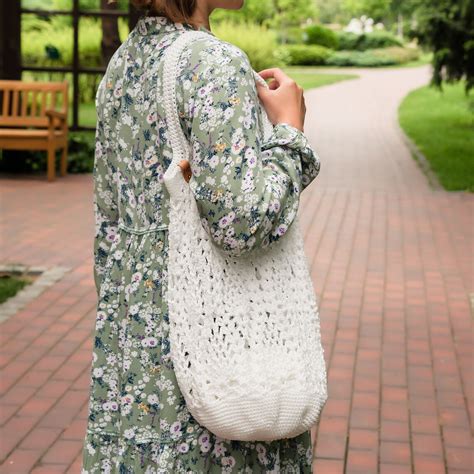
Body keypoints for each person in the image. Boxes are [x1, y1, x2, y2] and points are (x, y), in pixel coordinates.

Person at [81, 0, 322, 472]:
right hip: (212, 361)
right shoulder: (212, 62)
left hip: (133, 361)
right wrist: (290, 133)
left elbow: (108, 228)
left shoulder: (125, 62)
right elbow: (241, 221)